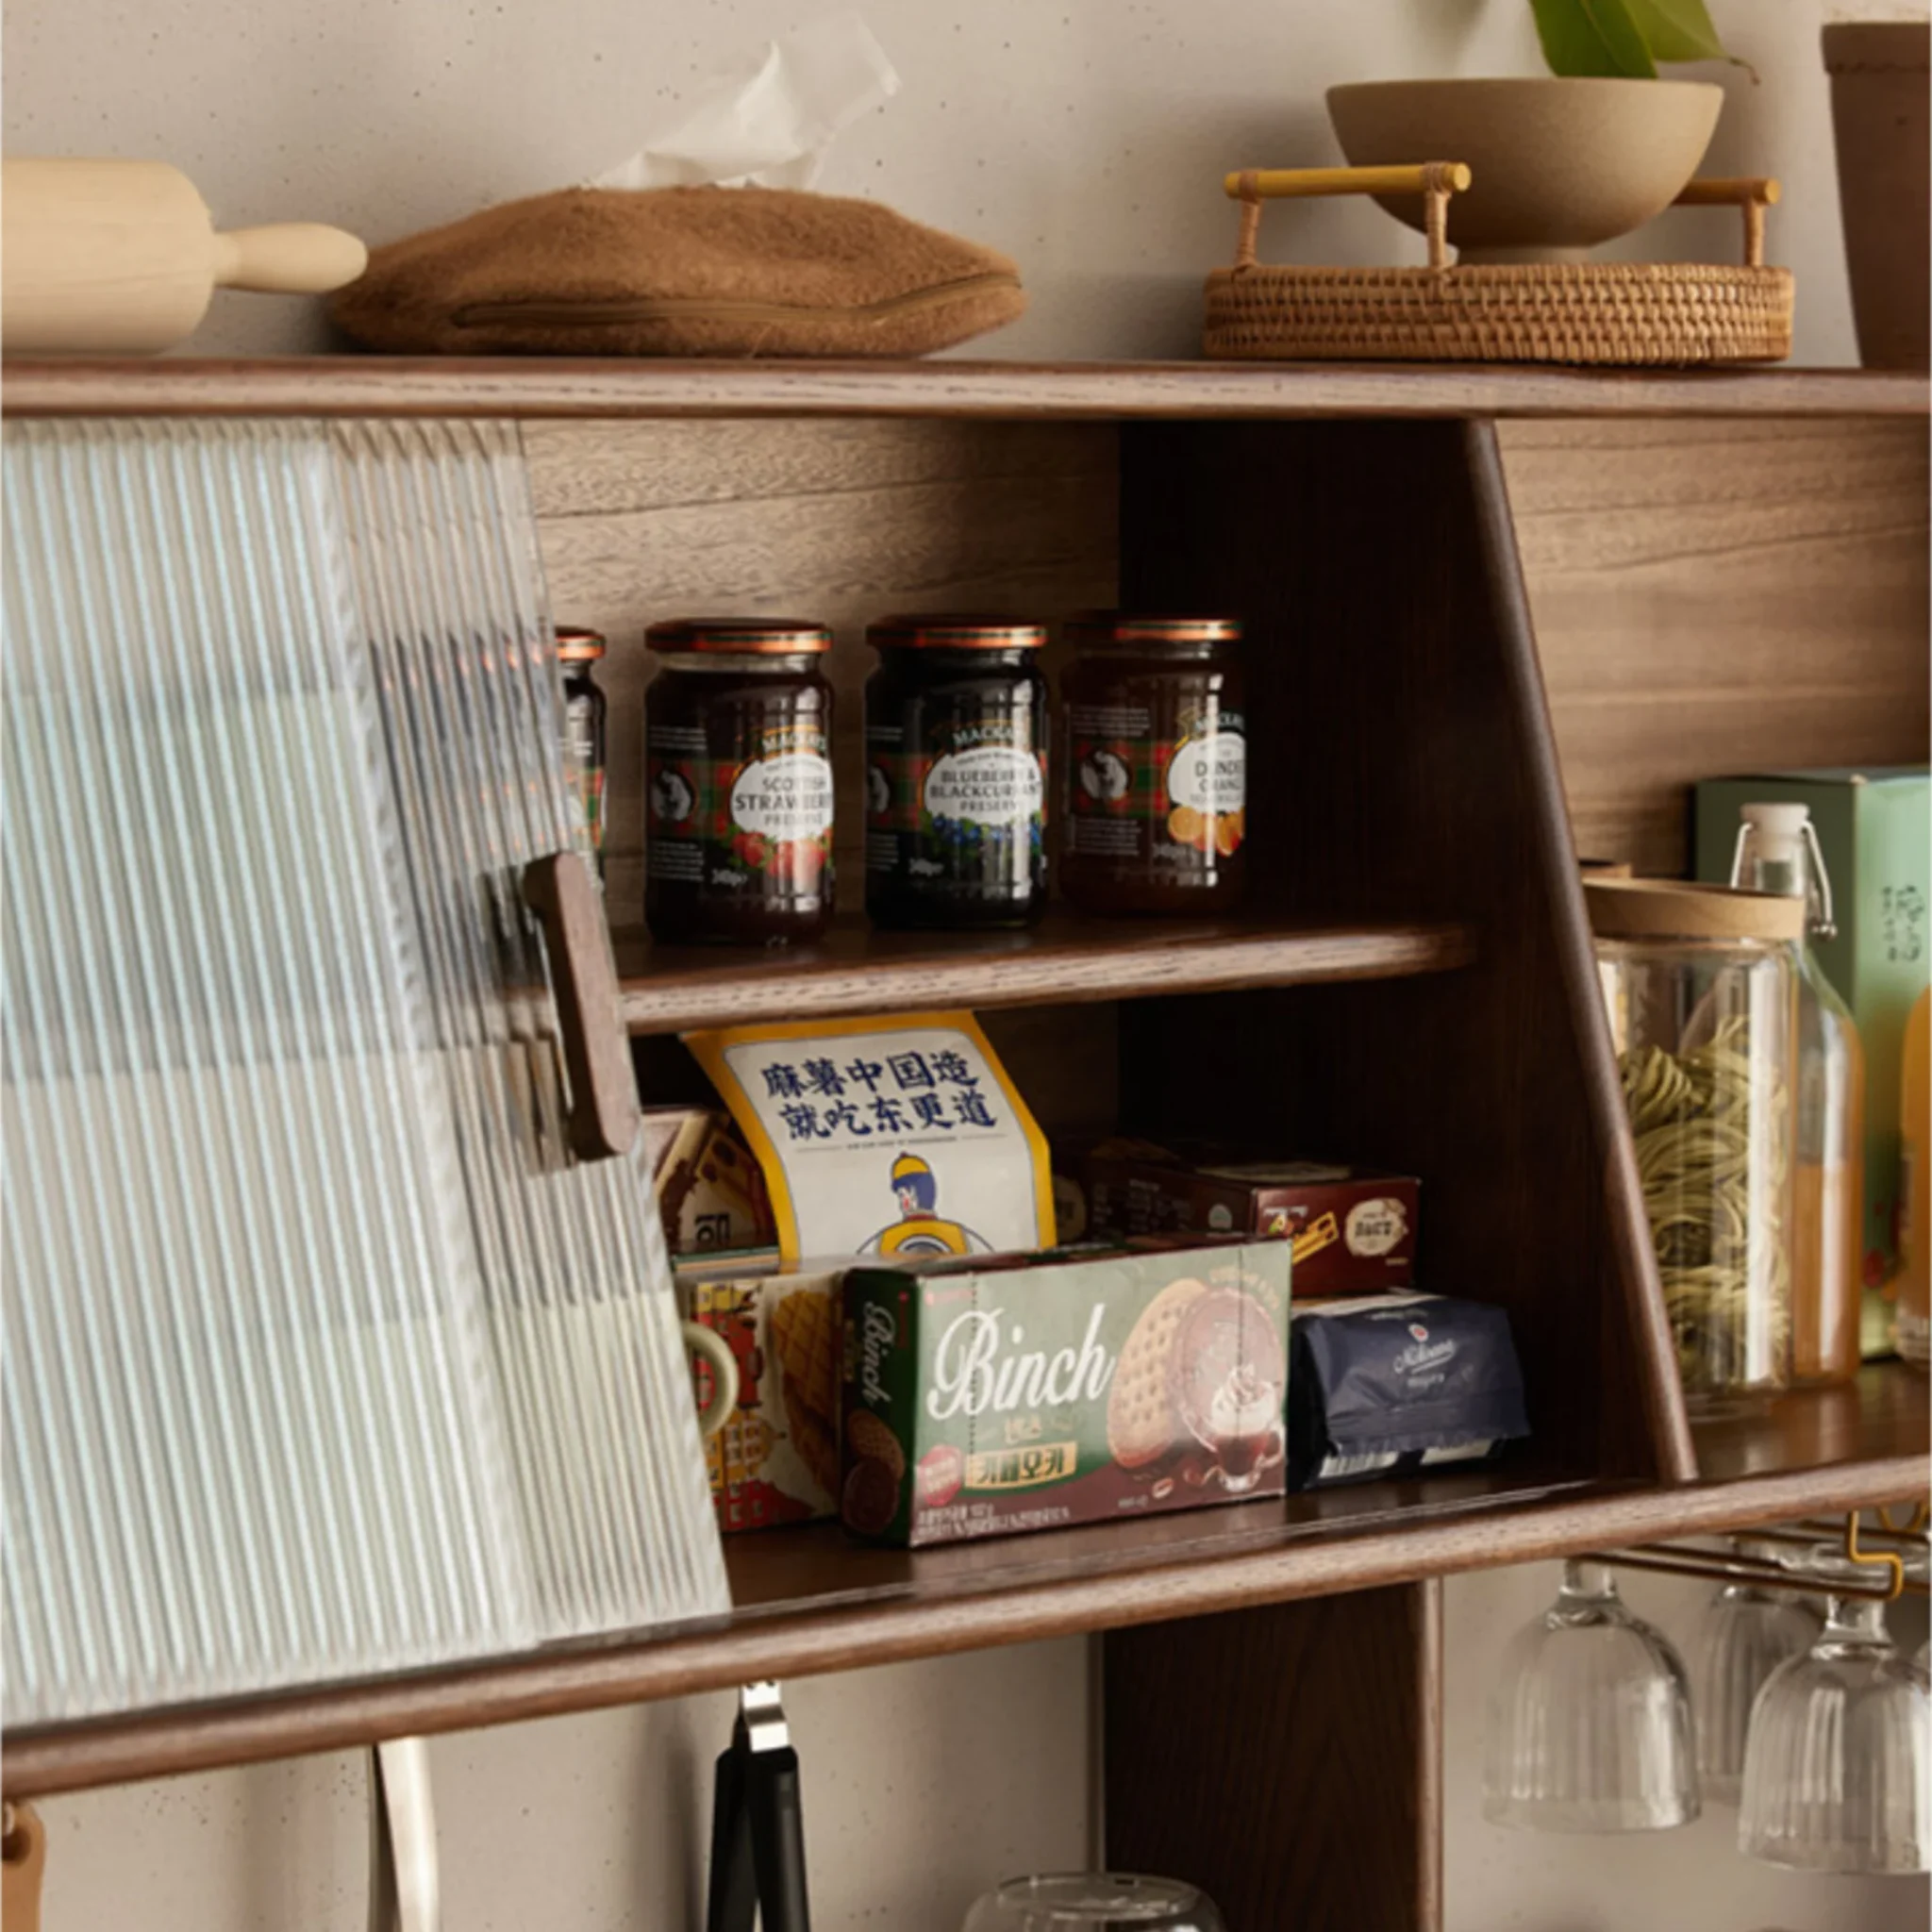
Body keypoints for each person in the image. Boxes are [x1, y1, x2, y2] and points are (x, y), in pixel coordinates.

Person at [860, 1152, 991, 1257]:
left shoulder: (885, 1239)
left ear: (914, 1192)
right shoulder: (962, 1235)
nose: (900, 1205)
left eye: (901, 1195)